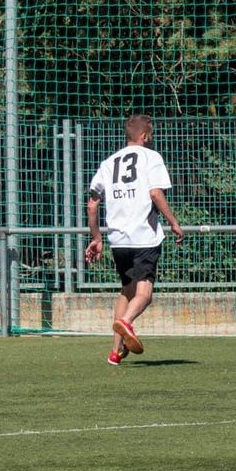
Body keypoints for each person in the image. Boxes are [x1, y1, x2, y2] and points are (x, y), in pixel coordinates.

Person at [85, 113, 183, 366]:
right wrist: (173, 222)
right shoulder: (152, 157)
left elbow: (93, 204)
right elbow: (155, 192)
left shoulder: (108, 162)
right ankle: (126, 323)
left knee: (126, 291)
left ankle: (115, 352)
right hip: (144, 236)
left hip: (118, 239)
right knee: (144, 293)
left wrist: (96, 238)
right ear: (145, 136)